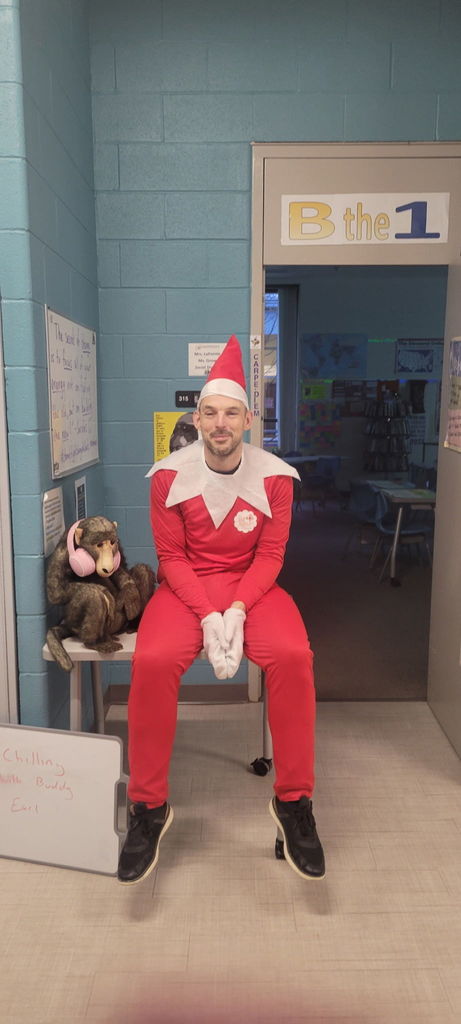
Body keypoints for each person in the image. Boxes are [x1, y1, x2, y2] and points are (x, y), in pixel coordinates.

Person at [117, 335, 325, 885]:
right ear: (198, 418)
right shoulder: (167, 477)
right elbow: (170, 557)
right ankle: (148, 805)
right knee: (153, 659)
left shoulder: (277, 478)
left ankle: (294, 801)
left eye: (231, 412)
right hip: (185, 589)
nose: (219, 423)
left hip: (252, 588)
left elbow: (272, 555)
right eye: (209, 412)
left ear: (248, 419)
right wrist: (208, 614)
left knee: (293, 655)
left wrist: (235, 608)